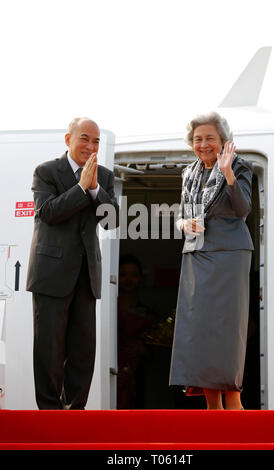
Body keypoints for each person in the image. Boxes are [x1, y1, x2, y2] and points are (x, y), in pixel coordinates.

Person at [26, 117, 119, 409]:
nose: (91, 146)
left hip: (85, 274)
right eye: (84, 139)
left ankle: (75, 414)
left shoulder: (103, 176)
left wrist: (93, 190)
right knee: (49, 350)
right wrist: (81, 189)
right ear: (68, 139)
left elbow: (112, 220)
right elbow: (48, 212)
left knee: (82, 351)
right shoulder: (46, 171)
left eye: (96, 141)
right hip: (50, 273)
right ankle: (51, 414)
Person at [169, 111, 254, 410]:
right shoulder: (189, 173)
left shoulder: (241, 167)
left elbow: (243, 209)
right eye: (197, 139)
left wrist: (227, 172)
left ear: (223, 141)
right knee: (199, 329)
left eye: (210, 139)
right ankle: (212, 407)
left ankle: (233, 402)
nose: (203, 144)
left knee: (226, 328)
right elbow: (181, 215)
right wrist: (184, 225)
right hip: (197, 255)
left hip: (229, 256)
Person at [117, 254, 154, 409]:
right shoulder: (107, 312)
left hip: (137, 372)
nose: (128, 280)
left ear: (140, 279)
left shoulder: (147, 312)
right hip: (113, 371)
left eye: (133, 275)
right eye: (123, 274)